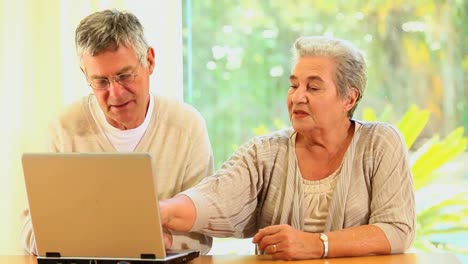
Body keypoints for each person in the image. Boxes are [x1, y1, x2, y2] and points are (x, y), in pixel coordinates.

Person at [159, 36, 415, 260]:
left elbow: (396, 230)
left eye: (313, 87)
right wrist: (160, 211)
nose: (297, 97)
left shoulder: (380, 142)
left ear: (349, 98)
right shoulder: (264, 153)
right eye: (294, 85)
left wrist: (316, 245)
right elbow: (213, 199)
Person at [21, 9, 214, 255]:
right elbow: (30, 228)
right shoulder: (64, 127)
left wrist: (159, 242)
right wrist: (110, 240)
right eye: (101, 81)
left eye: (125, 76)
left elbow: (202, 234)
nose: (116, 93)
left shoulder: (187, 126)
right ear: (86, 76)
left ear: (150, 61)